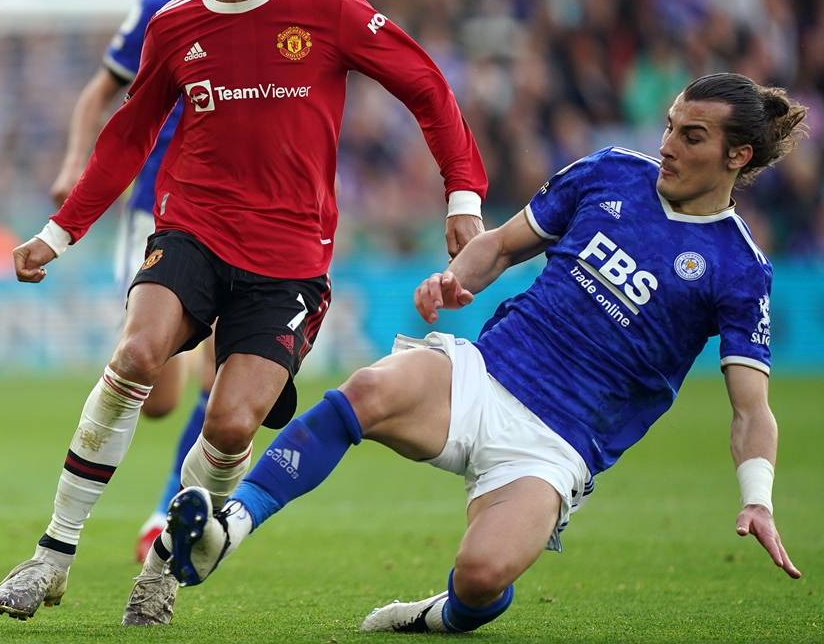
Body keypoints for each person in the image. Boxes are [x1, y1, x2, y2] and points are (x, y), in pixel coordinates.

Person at [0, 0, 487, 628]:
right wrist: (59, 233)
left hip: (290, 260)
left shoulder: (328, 9)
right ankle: (52, 554)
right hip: (192, 228)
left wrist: (462, 190)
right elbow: (126, 136)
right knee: (134, 358)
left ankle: (161, 569)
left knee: (228, 425)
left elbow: (425, 85)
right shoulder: (177, 23)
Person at [167, 72, 804, 635]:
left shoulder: (739, 268)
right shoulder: (610, 172)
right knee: (367, 391)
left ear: (736, 155)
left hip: (557, 445)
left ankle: (439, 616)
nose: (667, 145)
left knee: (480, 575)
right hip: (486, 373)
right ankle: (229, 529)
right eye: (669, 126)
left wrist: (758, 497)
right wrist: (456, 280)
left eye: (692, 137)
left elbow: (751, 409)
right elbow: (499, 245)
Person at [50, 0, 218, 563]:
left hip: (235, 212)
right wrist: (76, 161)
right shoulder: (164, 0)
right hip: (158, 209)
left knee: (224, 370)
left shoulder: (294, 4)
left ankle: (165, 514)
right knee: (160, 398)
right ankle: (190, 337)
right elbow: (100, 91)